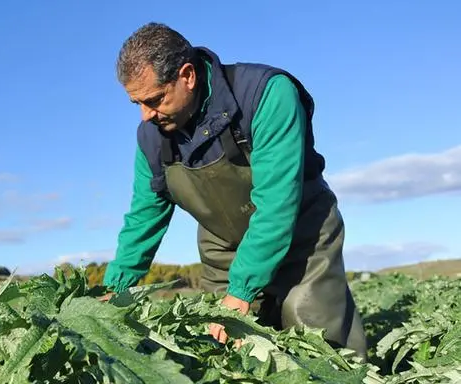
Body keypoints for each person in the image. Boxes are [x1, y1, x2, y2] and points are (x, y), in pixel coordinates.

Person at [100, 22, 368, 360]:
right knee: (226, 358)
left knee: (316, 339)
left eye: (154, 100)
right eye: (136, 103)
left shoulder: (266, 95)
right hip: (222, 249)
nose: (145, 114)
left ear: (187, 75)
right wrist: (116, 287)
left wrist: (242, 290)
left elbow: (277, 203)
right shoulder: (151, 138)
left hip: (302, 234)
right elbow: (145, 214)